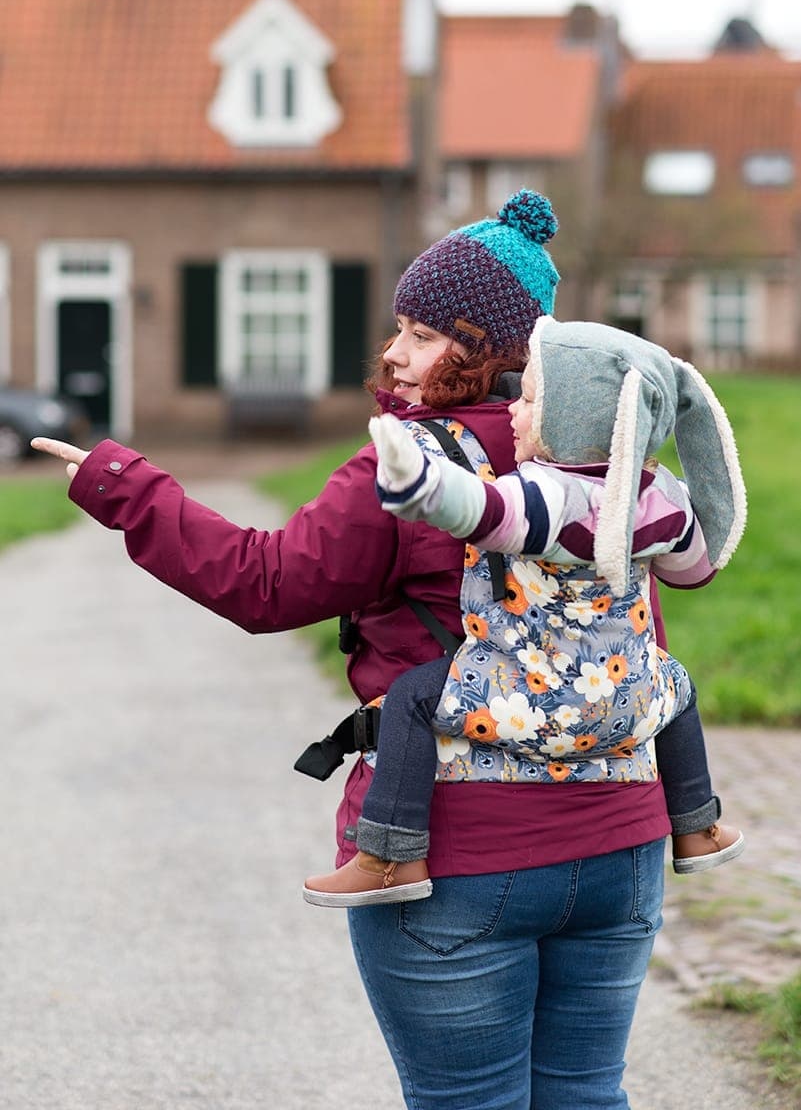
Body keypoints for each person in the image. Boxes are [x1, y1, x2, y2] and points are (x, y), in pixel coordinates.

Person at [31, 192, 686, 1109]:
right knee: (586, 1097)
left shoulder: (411, 470)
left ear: (491, 350)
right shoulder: (619, 469)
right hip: (620, 847)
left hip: (456, 858)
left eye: (420, 334)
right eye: (397, 329)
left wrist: (123, 486)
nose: (393, 354)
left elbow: (265, 586)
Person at [303, 318, 747, 907]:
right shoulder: (659, 497)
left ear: (576, 415)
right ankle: (696, 826)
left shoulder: (545, 495)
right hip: (626, 693)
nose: (512, 407)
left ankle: (390, 855)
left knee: (410, 697)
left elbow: (479, 511)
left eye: (531, 399)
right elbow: (696, 572)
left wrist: (416, 483)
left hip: (520, 686)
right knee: (680, 685)